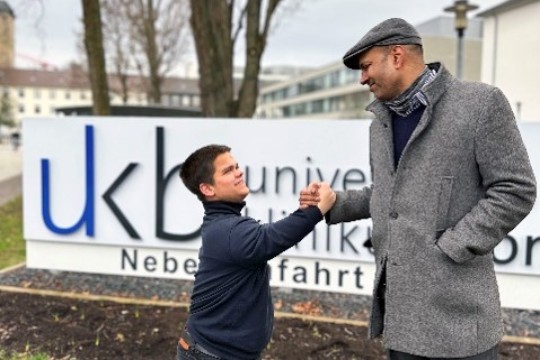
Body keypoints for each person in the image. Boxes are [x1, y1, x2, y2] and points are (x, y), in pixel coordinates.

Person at [300, 18, 536, 360]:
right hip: (403, 323)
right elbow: (389, 194)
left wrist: (453, 245)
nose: (362, 78)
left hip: (461, 325)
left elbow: (516, 189)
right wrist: (337, 201)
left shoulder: (480, 104)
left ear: (396, 56)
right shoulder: (380, 123)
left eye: (366, 66)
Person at [177, 144, 336, 360]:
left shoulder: (227, 225)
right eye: (228, 171)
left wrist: (306, 209)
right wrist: (316, 210)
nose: (239, 172)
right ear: (207, 189)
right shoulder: (227, 230)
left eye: (237, 166)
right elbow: (270, 239)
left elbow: (265, 236)